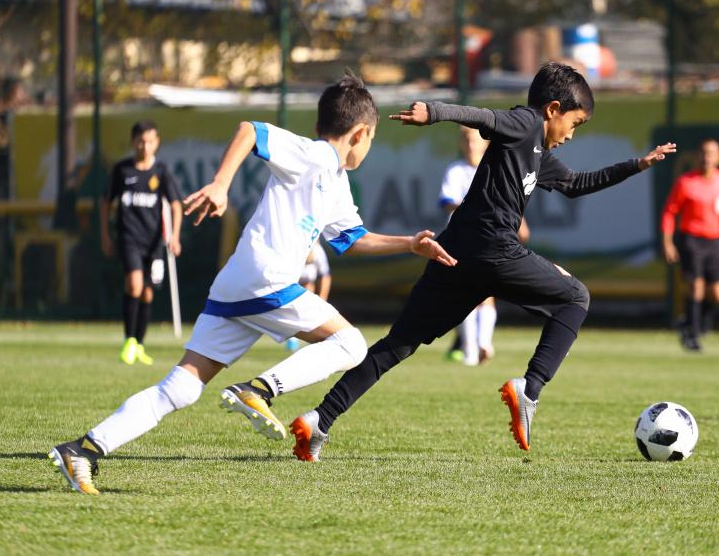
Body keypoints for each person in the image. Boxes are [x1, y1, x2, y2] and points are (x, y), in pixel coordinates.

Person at [47, 73, 456, 495]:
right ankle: (257, 389)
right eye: (370, 141)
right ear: (360, 133)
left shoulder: (335, 182)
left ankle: (84, 449)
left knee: (183, 387)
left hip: (238, 285)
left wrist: (408, 243)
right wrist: (221, 185)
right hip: (266, 278)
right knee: (350, 345)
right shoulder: (314, 155)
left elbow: (351, 238)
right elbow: (251, 130)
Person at [275, 62, 676, 461]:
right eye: (575, 123)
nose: (572, 134)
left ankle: (318, 420)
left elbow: (577, 184)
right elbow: (483, 116)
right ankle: (530, 389)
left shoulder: (539, 154)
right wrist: (433, 111)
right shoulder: (525, 123)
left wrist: (636, 165)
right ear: (552, 109)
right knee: (575, 298)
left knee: (397, 344)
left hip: (457, 254)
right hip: (490, 249)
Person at [439, 127, 530, 365]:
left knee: (485, 294)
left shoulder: (496, 170)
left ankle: (482, 345)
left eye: (475, 141)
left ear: (485, 145)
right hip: (460, 239)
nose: (471, 145)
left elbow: (509, 202)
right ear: (461, 143)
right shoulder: (456, 171)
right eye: (467, 140)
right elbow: (448, 203)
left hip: (488, 239)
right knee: (466, 294)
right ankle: (473, 348)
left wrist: (519, 222)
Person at [101, 121, 182, 366]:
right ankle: (128, 341)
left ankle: (139, 344)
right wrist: (105, 235)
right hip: (129, 238)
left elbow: (176, 205)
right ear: (133, 141)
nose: (144, 146)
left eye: (149, 141)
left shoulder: (161, 171)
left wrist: (175, 236)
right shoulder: (122, 170)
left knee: (147, 293)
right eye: (140, 141)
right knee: (134, 285)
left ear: (156, 142)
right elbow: (106, 204)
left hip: (154, 243)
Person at [661, 139, 719, 352]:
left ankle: (690, 320)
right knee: (696, 288)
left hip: (716, 241)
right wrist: (668, 242)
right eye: (703, 153)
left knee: (718, 293)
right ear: (698, 156)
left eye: (711, 154)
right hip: (691, 240)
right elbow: (670, 212)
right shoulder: (686, 182)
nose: (707, 157)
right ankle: (693, 334)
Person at [288, 241, 333, 351]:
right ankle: (293, 336)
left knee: (310, 311)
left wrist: (322, 300)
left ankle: (314, 336)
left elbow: (325, 276)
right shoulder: (291, 247)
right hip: (291, 284)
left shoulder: (317, 250)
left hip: (307, 284)